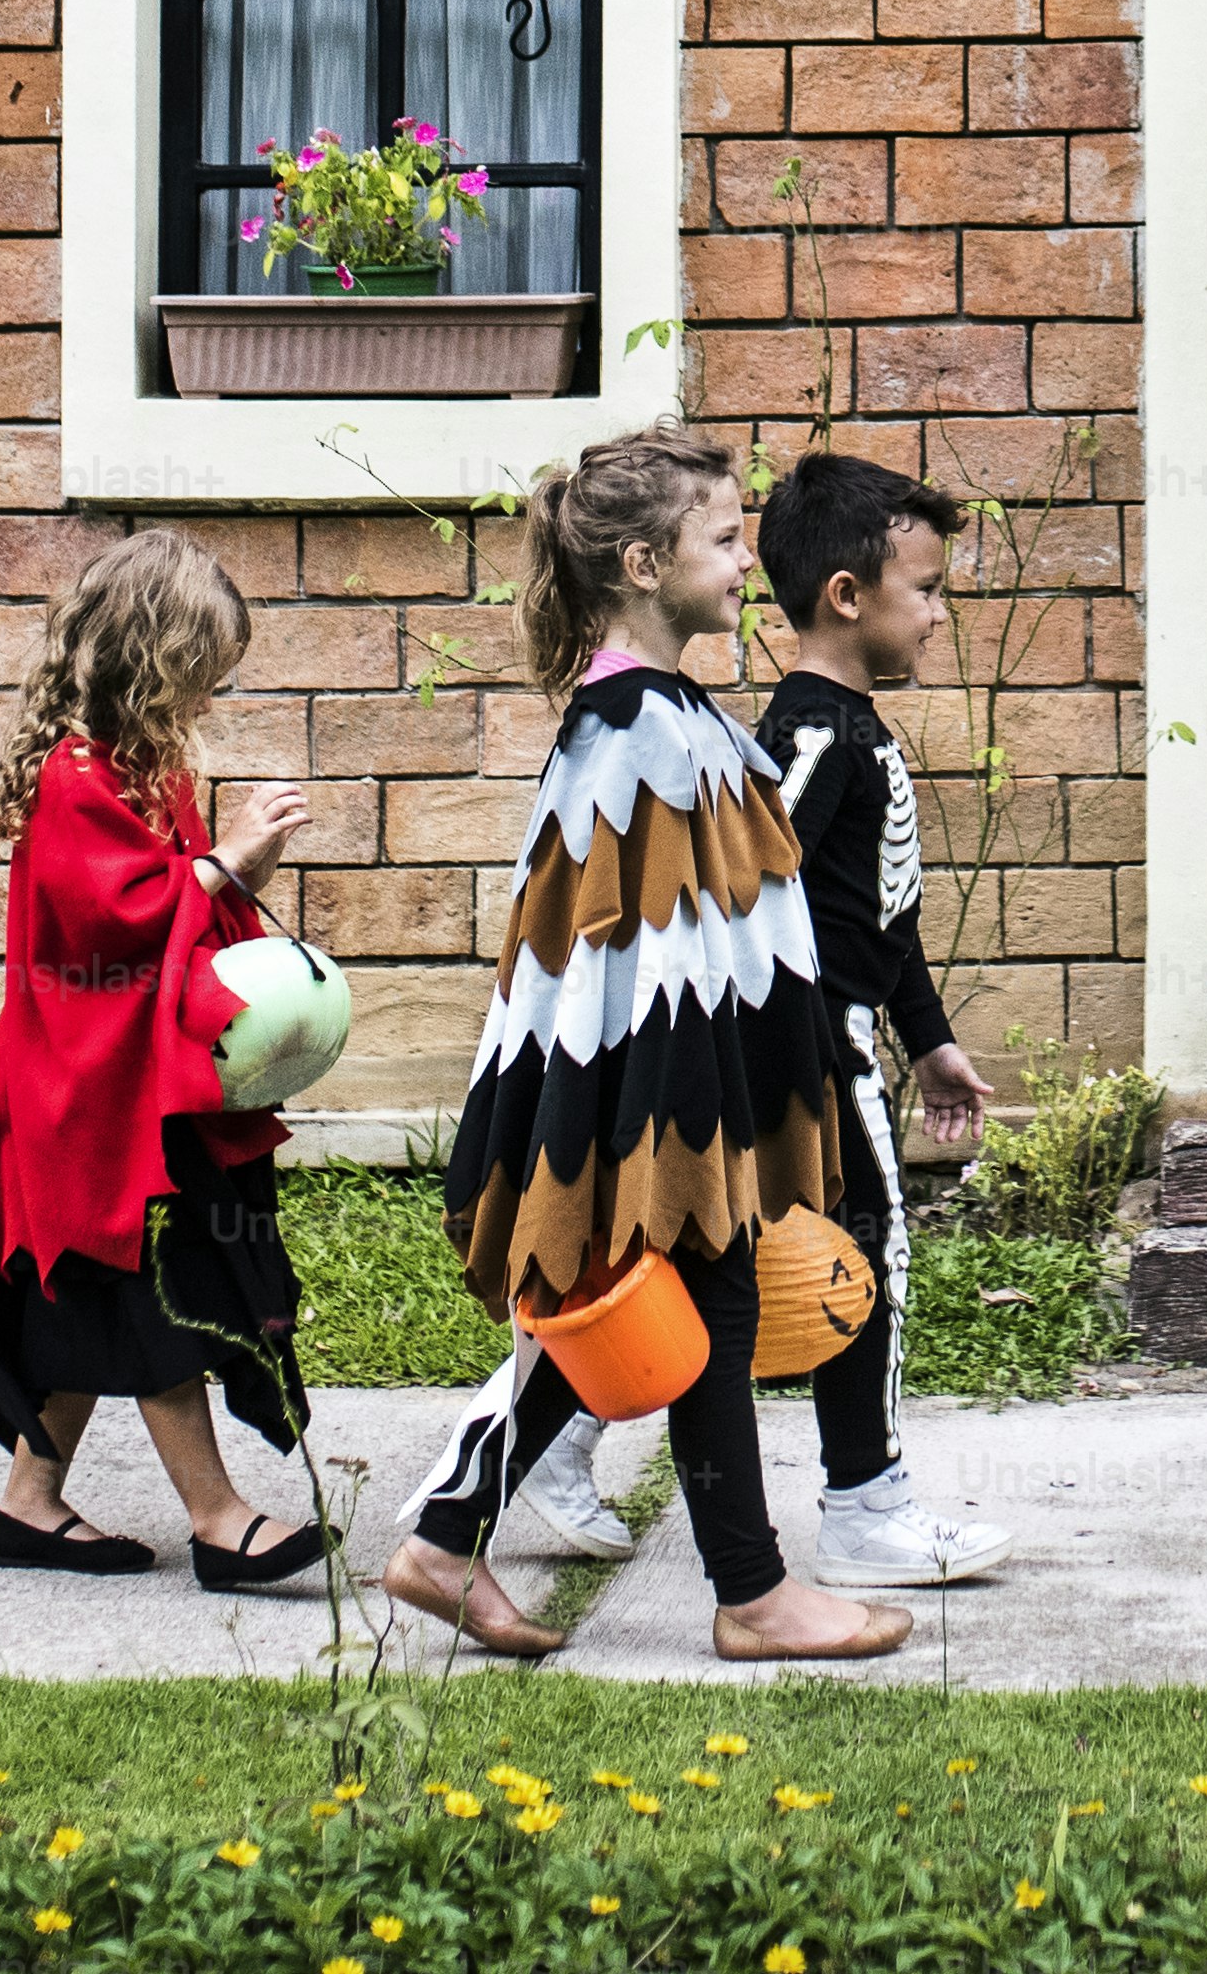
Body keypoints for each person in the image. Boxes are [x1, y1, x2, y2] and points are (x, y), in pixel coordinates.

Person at [380, 419, 907, 1664]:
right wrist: (686, 1115)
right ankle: (752, 1595)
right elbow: (635, 961)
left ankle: (447, 1542)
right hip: (654, 1090)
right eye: (721, 540)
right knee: (688, 1299)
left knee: (634, 1308)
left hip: (667, 1086)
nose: (745, 561)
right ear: (641, 564)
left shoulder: (660, 715)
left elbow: (714, 933)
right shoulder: (635, 732)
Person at [0, 528, 337, 1593]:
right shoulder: (75, 781)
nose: (213, 692)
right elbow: (118, 924)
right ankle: (220, 1521)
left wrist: (239, 865)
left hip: (132, 1084)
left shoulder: (149, 772)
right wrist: (225, 860)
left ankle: (28, 1506)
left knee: (85, 1301)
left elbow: (183, 913)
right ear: (154, 658)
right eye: (204, 669)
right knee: (151, 1303)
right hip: (82, 1099)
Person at [738, 450, 1011, 1589]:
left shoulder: (850, 726)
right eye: (927, 589)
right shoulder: (814, 736)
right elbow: (754, 885)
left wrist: (929, 1037)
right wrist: (806, 1048)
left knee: (718, 1261)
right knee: (867, 1250)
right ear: (848, 596)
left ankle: (541, 1448)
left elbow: (876, 914)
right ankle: (865, 1506)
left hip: (847, 1036)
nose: (940, 615)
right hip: (817, 1048)